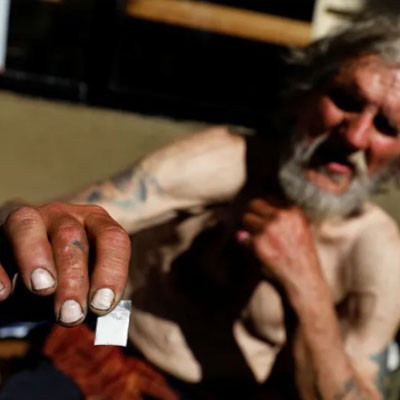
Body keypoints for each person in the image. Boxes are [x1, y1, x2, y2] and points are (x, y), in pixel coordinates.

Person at [1, 14, 400, 400]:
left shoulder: (377, 252)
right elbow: (48, 225)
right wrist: (25, 226)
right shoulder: (227, 162)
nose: (355, 136)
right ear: (305, 95)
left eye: (388, 127)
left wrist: (304, 281)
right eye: (346, 100)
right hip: (113, 339)